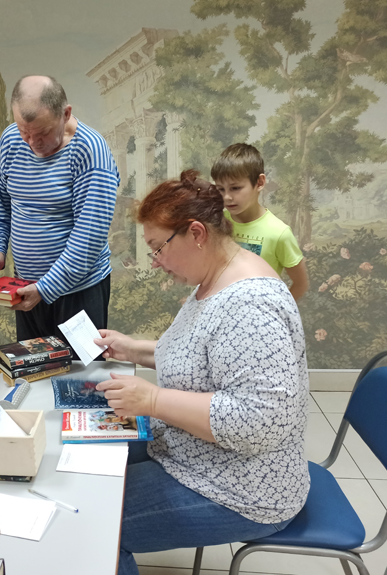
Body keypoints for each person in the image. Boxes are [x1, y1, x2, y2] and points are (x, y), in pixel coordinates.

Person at [94, 170, 309, 575]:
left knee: (96, 522)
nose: (156, 262)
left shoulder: (249, 304)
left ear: (196, 233)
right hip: (190, 450)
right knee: (91, 462)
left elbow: (260, 421)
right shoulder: (214, 278)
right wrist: (133, 349)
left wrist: (153, 400)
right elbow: (199, 357)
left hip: (243, 486)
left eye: (158, 248)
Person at [0, 75, 119, 343]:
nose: (32, 143)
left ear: (65, 114)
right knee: (32, 365)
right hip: (27, 288)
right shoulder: (10, 140)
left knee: (78, 369)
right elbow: (0, 201)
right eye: (24, 132)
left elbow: (89, 239)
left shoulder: (90, 151)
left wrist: (45, 288)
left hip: (79, 291)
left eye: (42, 133)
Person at [211, 143, 309, 301]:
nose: (227, 197)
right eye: (221, 189)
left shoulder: (279, 233)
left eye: (235, 188)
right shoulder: (216, 223)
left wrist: (274, 310)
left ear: (260, 183)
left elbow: (301, 284)